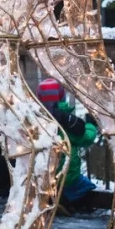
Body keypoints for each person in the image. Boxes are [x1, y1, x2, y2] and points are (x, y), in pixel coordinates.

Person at [36, 78, 99, 209]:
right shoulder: (67, 120)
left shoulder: (35, 119)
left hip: (43, 179)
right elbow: (87, 139)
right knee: (88, 186)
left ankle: (54, 199)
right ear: (62, 98)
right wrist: (91, 125)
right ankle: (70, 203)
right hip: (68, 178)